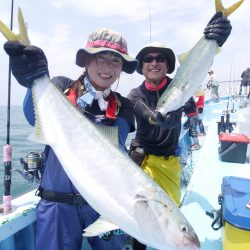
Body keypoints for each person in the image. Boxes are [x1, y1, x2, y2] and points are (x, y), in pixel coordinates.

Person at [4, 28, 139, 250]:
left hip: (105, 206)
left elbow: (112, 145)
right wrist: (33, 81)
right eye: (100, 57)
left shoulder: (124, 106)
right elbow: (33, 115)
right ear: (86, 60)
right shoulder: (59, 87)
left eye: (116, 60)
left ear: (122, 68)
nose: (107, 66)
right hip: (57, 205)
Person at [127, 11, 231, 250]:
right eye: (148, 59)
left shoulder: (183, 87)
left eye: (160, 58)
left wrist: (213, 43)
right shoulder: (135, 95)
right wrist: (166, 117)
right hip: (143, 163)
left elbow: (192, 106)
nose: (154, 62)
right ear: (142, 67)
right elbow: (151, 117)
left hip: (171, 162)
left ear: (167, 65)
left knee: (171, 216)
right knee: (142, 219)